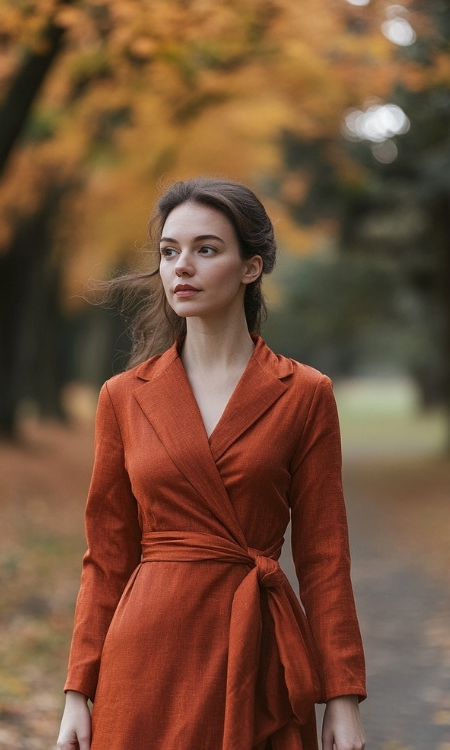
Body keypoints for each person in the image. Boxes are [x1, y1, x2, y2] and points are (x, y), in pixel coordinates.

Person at [57, 177, 366, 750]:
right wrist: (79, 690)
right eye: (170, 251)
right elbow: (106, 556)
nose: (182, 268)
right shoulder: (124, 396)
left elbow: (325, 557)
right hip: (144, 663)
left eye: (206, 249)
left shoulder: (303, 393)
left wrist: (341, 699)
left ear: (251, 267)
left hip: (257, 654)